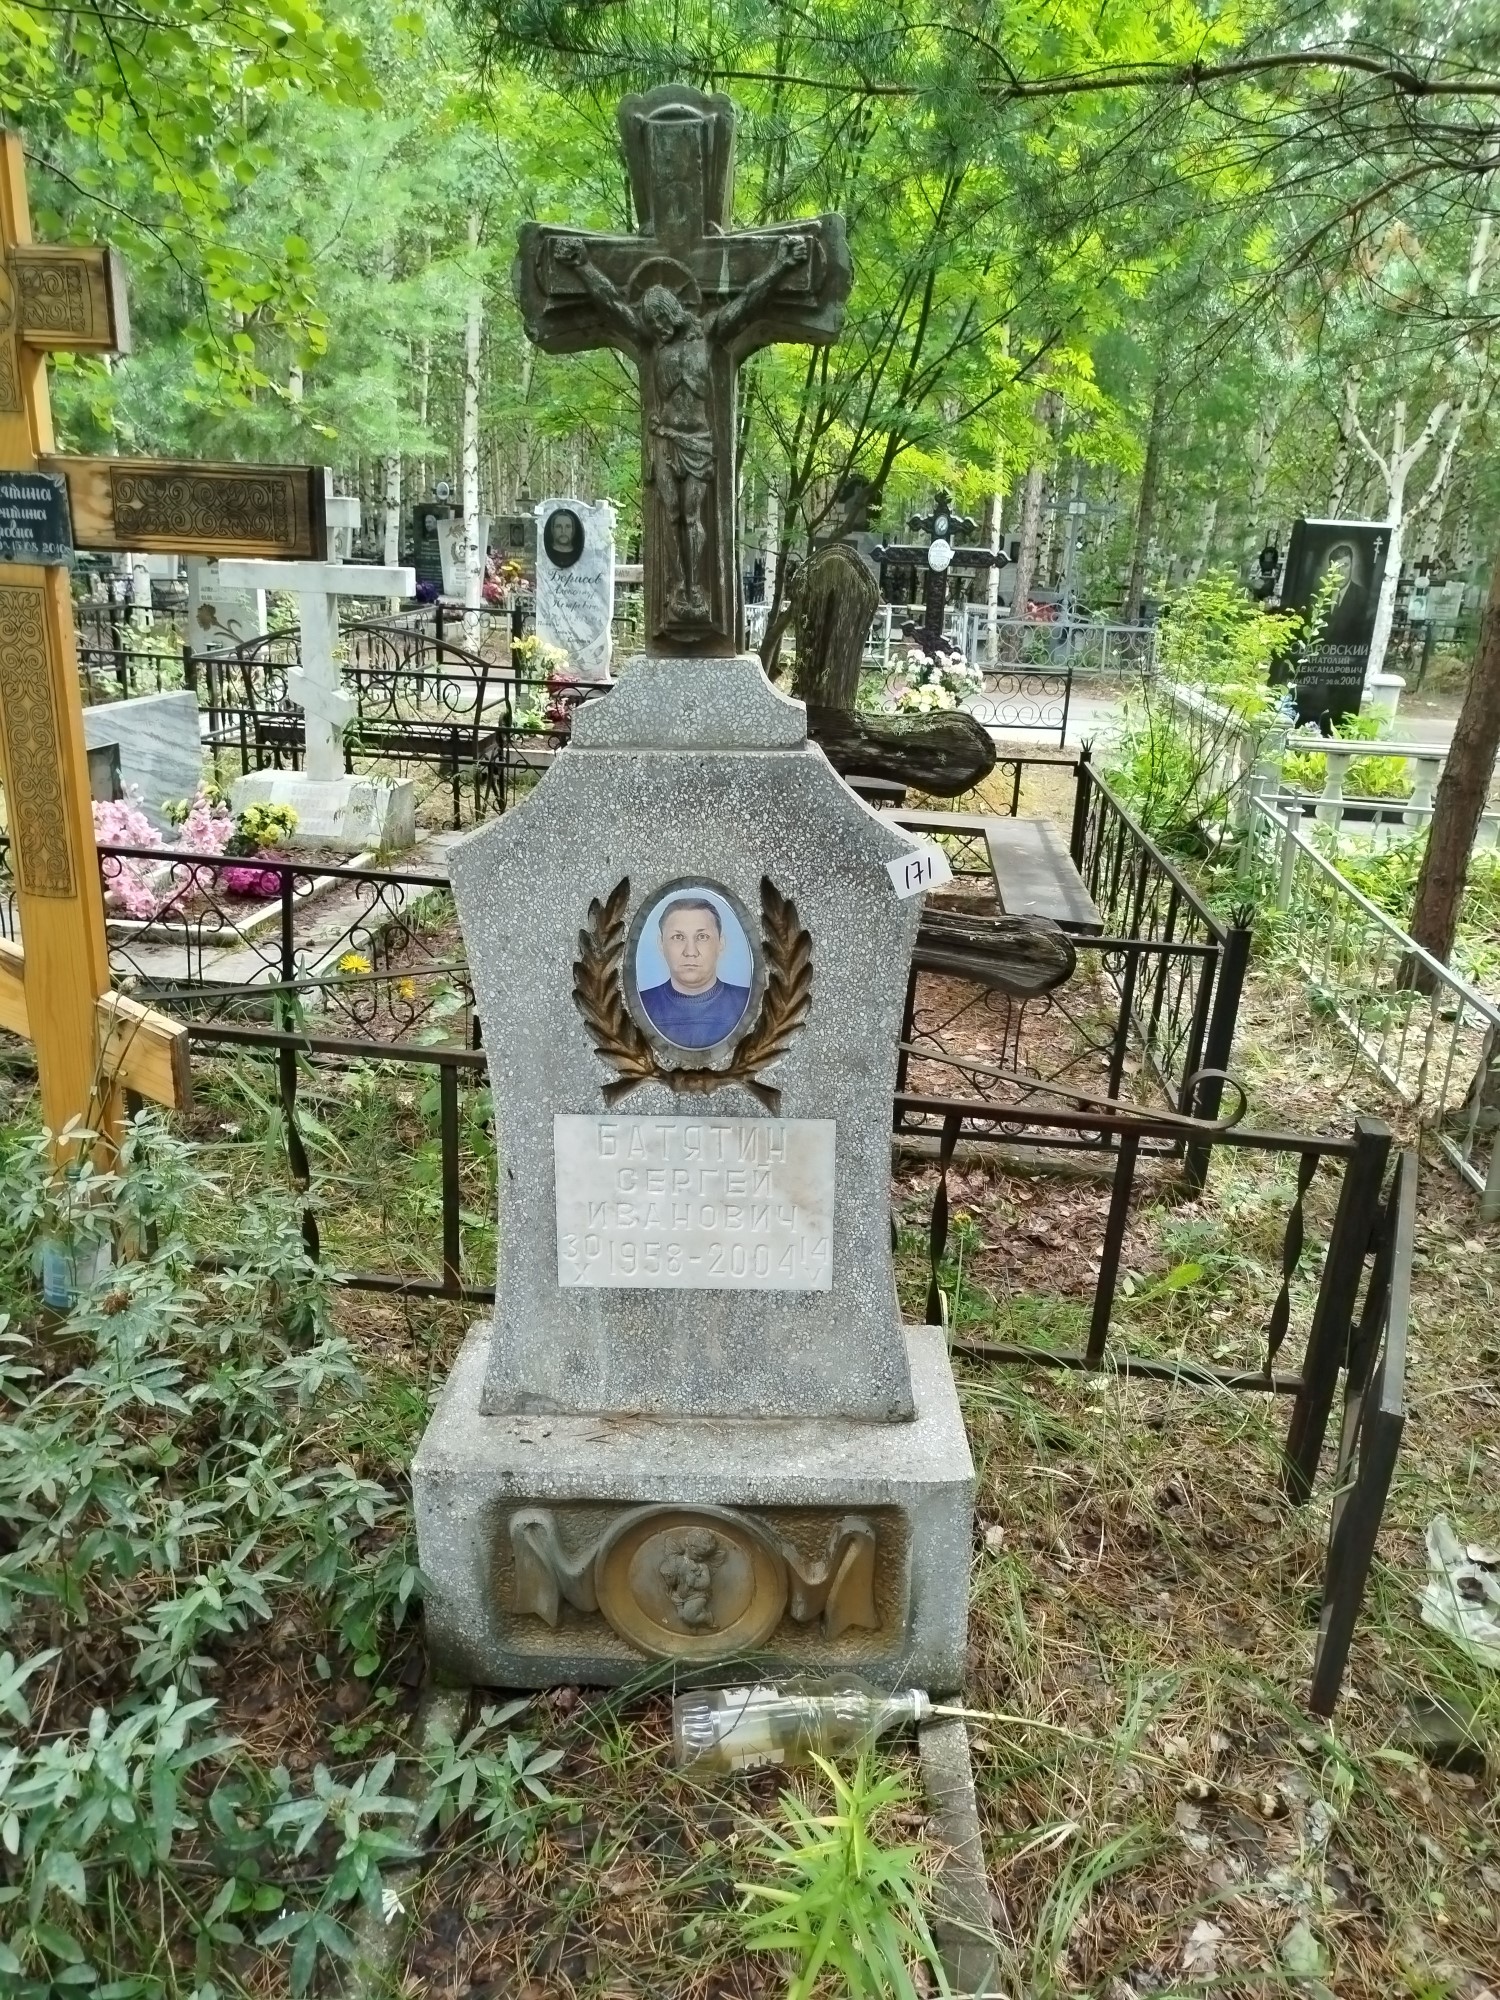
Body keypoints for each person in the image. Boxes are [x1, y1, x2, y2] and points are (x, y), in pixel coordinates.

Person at [638, 897, 751, 1047]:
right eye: (678, 937)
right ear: (661, 944)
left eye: (702, 937)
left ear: (721, 943)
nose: (690, 952)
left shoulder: (748, 1002)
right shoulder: (641, 1005)